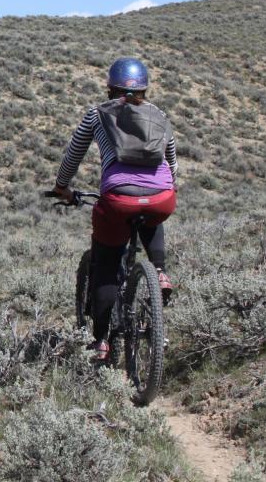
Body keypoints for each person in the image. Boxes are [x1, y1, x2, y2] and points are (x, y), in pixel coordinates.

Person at [51, 57, 178, 362]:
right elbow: (172, 161)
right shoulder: (158, 115)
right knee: (151, 211)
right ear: (144, 88)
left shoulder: (96, 114)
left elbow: (73, 155)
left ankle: (101, 342)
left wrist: (62, 186)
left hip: (119, 197)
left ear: (110, 88)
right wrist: (167, 187)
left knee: (106, 264)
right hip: (163, 194)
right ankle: (159, 271)